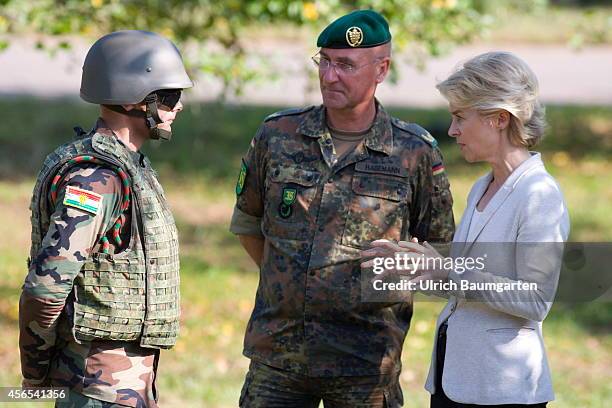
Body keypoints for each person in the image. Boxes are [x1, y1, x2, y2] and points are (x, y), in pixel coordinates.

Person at [229, 9, 455, 408]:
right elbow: (249, 222)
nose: (330, 77)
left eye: (346, 65)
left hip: (364, 360)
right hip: (278, 355)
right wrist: (289, 281)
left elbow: (438, 249)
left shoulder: (413, 151)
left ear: (381, 69)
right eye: (325, 62)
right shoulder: (278, 134)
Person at [363, 52, 570, 407]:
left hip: (502, 390)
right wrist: (420, 267)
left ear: (499, 119)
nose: (452, 130)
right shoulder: (480, 186)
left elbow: (536, 301)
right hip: (453, 380)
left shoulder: (540, 194)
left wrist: (447, 269)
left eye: (460, 117)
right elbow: (467, 282)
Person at [19, 30, 193, 407]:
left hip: (122, 390)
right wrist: (35, 375)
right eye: (170, 97)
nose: (178, 107)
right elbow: (46, 288)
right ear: (136, 100)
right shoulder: (97, 180)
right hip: (97, 390)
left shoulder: (127, 167)